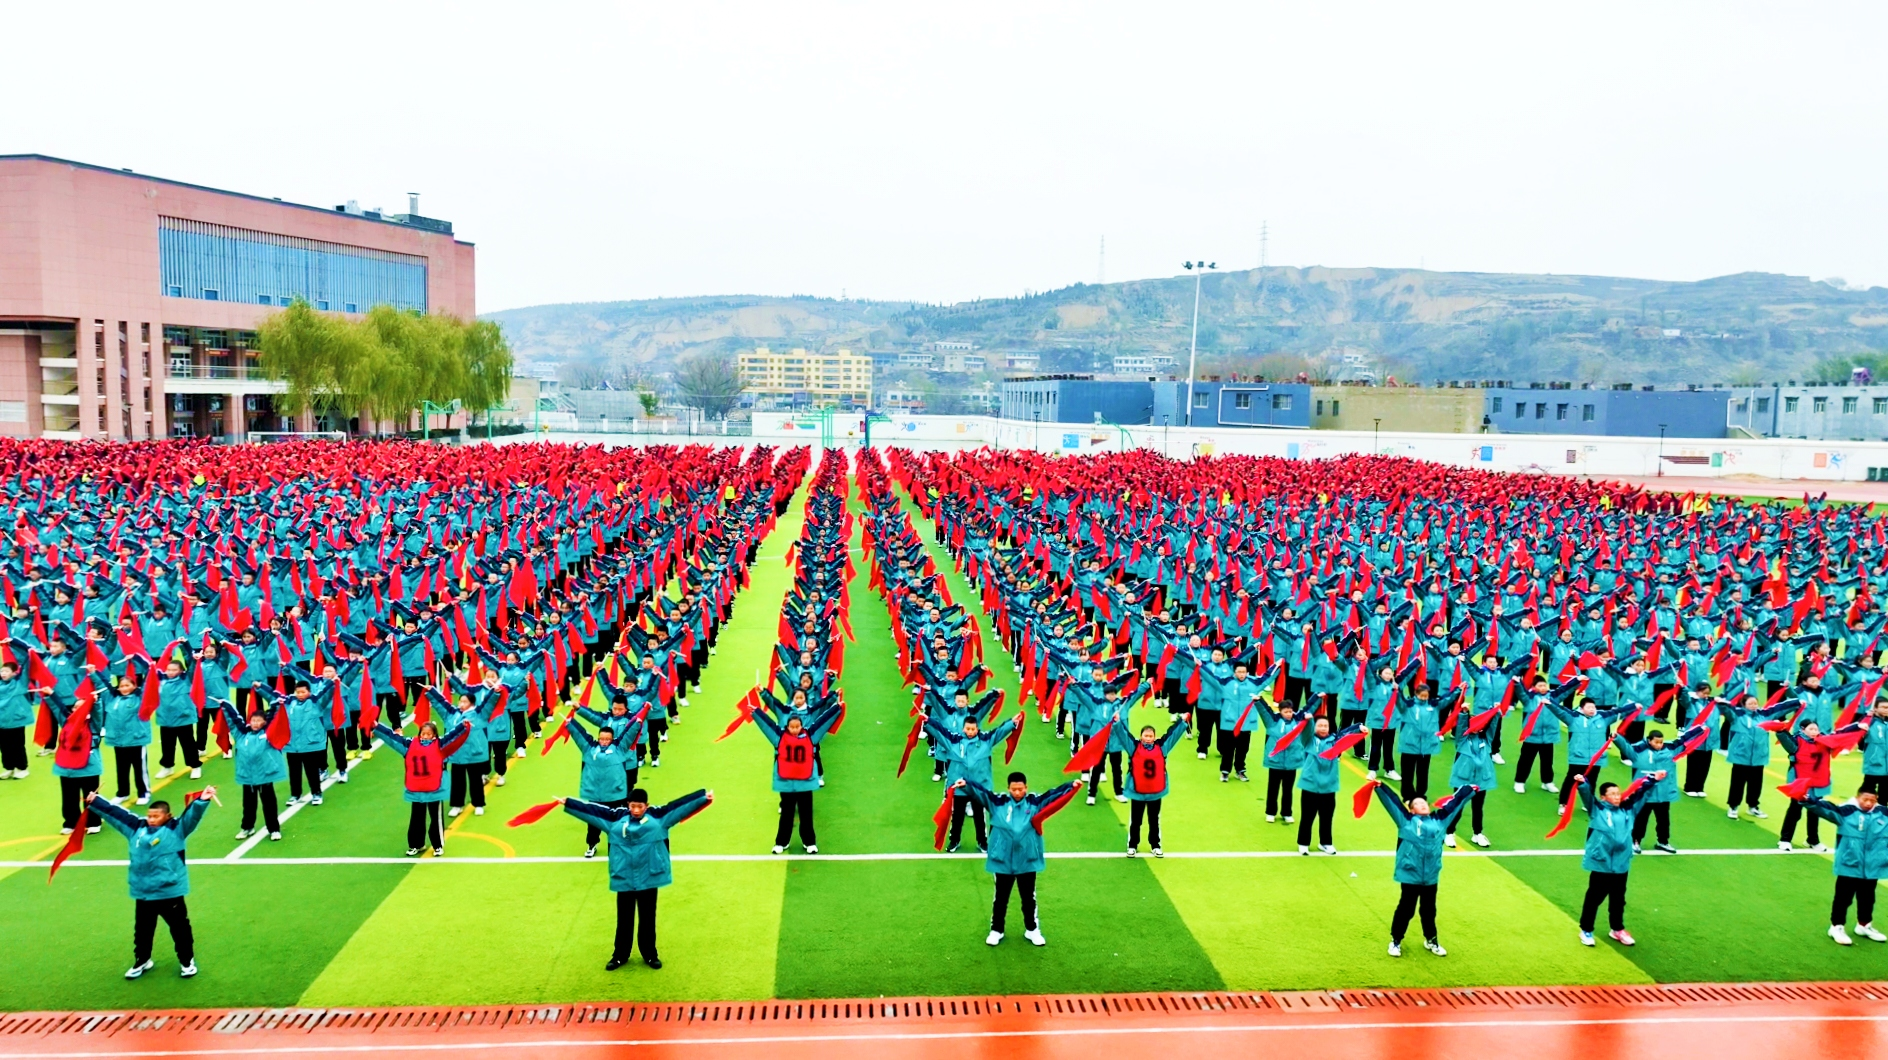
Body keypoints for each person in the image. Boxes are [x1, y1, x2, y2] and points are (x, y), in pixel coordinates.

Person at [561, 787, 714, 970]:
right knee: (624, 919)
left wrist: (702, 798)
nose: (635, 810)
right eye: (632, 806)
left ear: (646, 806)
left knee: (648, 918)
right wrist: (569, 803)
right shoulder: (615, 819)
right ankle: (619, 956)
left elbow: (678, 807)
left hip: (649, 876)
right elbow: (593, 812)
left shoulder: (659, 818)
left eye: (640, 806)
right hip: (624, 876)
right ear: (628, 805)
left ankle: (650, 955)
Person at [85, 788, 215, 980]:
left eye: (156, 816)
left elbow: (192, 816)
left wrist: (202, 800)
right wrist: (95, 801)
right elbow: (116, 814)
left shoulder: (176, 830)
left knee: (180, 929)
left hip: (169, 892)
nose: (152, 819)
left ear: (168, 816)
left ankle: (187, 961)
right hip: (143, 892)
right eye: (150, 816)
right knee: (143, 930)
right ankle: (142, 960)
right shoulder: (136, 829)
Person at [959, 771, 1079, 947]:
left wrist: (1070, 786)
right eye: (1014, 789)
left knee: (1028, 898)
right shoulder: (997, 802)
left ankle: (1032, 930)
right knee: (1000, 897)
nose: (1017, 792)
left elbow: (1052, 795)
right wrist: (966, 784)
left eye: (1020, 789)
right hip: (1002, 860)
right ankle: (996, 930)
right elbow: (981, 792)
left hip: (1027, 859)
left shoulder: (1034, 802)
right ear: (1008, 788)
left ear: (1026, 787)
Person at [1371, 782, 1477, 957]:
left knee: (1429, 910)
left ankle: (1431, 940)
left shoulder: (1440, 821)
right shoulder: (1406, 821)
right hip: (1410, 874)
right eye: (1417, 804)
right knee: (1406, 909)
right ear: (1411, 810)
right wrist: (1380, 787)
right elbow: (1394, 803)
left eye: (1424, 803)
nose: (1422, 805)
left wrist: (1468, 789)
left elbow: (1456, 803)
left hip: (1430, 876)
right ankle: (1396, 941)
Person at [1575, 775, 1659, 947]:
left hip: (1621, 863)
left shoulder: (1628, 810)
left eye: (1618, 793)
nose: (1617, 796)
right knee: (1594, 898)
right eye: (1612, 794)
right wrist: (1583, 783)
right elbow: (1586, 795)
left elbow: (1641, 794)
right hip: (1601, 862)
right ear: (1603, 797)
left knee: (1618, 898)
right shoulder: (1596, 810)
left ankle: (1617, 929)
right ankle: (1586, 929)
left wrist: (1653, 780)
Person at [925, 710, 1021, 853]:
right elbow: (940, 732)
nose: (970, 732)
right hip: (959, 788)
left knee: (979, 816)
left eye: (973, 729)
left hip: (979, 788)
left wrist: (1012, 723)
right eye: (968, 729)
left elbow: (999, 732)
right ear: (963, 728)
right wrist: (927, 722)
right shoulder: (953, 741)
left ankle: (982, 842)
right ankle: (954, 841)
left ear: (977, 728)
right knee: (957, 817)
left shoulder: (986, 740)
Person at [1801, 787, 1888, 946]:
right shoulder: (1846, 812)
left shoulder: (1883, 813)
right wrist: (1806, 800)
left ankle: (1864, 925)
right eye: (1865, 800)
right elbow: (1824, 808)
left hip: (1872, 867)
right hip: (1849, 864)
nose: (1868, 803)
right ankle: (1836, 927)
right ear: (1858, 798)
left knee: (1868, 898)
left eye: (1872, 800)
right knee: (1843, 898)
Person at [373, 719, 470, 856]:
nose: (425, 736)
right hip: (416, 787)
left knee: (436, 818)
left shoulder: (440, 745)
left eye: (428, 734)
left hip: (434, 788)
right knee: (416, 818)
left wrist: (463, 726)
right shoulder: (410, 744)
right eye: (423, 733)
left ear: (434, 735)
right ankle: (416, 844)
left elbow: (453, 736)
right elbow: (392, 738)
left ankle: (438, 845)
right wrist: (377, 727)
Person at [754, 705, 839, 854]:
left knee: (806, 815)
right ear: (787, 726)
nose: (795, 729)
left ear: (801, 726)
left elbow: (823, 722)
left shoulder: (811, 736)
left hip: (804, 784)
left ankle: (809, 842)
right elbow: (767, 725)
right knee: (787, 815)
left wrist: (837, 708)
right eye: (792, 727)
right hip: (786, 784)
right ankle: (781, 842)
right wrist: (755, 712)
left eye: (797, 726)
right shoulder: (779, 737)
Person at [1118, 714, 1188, 857]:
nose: (1148, 738)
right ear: (1141, 736)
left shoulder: (1162, 747)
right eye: (1146, 735)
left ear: (1154, 737)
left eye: (1151, 736)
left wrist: (1182, 721)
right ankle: (1132, 845)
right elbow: (1123, 735)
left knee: (1153, 820)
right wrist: (1118, 722)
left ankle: (1155, 845)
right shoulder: (1134, 747)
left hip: (1155, 791)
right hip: (1138, 791)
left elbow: (1172, 735)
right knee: (1136, 820)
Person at [223, 702, 288, 841]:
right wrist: (225, 706)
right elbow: (233, 721)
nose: (255, 723)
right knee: (248, 805)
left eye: (259, 720)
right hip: (247, 776)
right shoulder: (241, 735)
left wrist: (276, 705)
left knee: (269, 804)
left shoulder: (268, 733)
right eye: (253, 720)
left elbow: (275, 718)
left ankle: (274, 829)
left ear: (264, 722)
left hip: (265, 776)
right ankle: (247, 827)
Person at [568, 715, 630, 857]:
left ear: (612, 739)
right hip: (596, 794)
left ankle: (616, 847)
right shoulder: (589, 749)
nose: (604, 742)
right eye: (601, 739)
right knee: (594, 822)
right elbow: (579, 734)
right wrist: (569, 722)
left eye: (607, 739)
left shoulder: (619, 749)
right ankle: (592, 845)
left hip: (615, 794)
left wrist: (640, 718)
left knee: (616, 822)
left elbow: (630, 731)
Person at [1298, 718, 1359, 855]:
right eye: (1320, 725)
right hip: (1310, 785)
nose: (1323, 728)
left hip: (1329, 786)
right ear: (1315, 727)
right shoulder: (1308, 740)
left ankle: (1325, 843)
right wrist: (1308, 721)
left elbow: (1346, 734)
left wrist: (1359, 728)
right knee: (1307, 816)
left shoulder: (1335, 742)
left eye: (1326, 725)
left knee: (1327, 816)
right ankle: (1303, 843)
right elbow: (1305, 729)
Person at [1256, 697, 1306, 823]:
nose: (1289, 714)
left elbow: (1309, 707)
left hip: (1291, 763)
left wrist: (1318, 697)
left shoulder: (1298, 722)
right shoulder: (1272, 722)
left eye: (1290, 711)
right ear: (1280, 711)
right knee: (1273, 788)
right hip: (1275, 762)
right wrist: (1258, 700)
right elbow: (1264, 711)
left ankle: (1286, 813)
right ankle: (1270, 812)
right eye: (1286, 712)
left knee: (1288, 790)